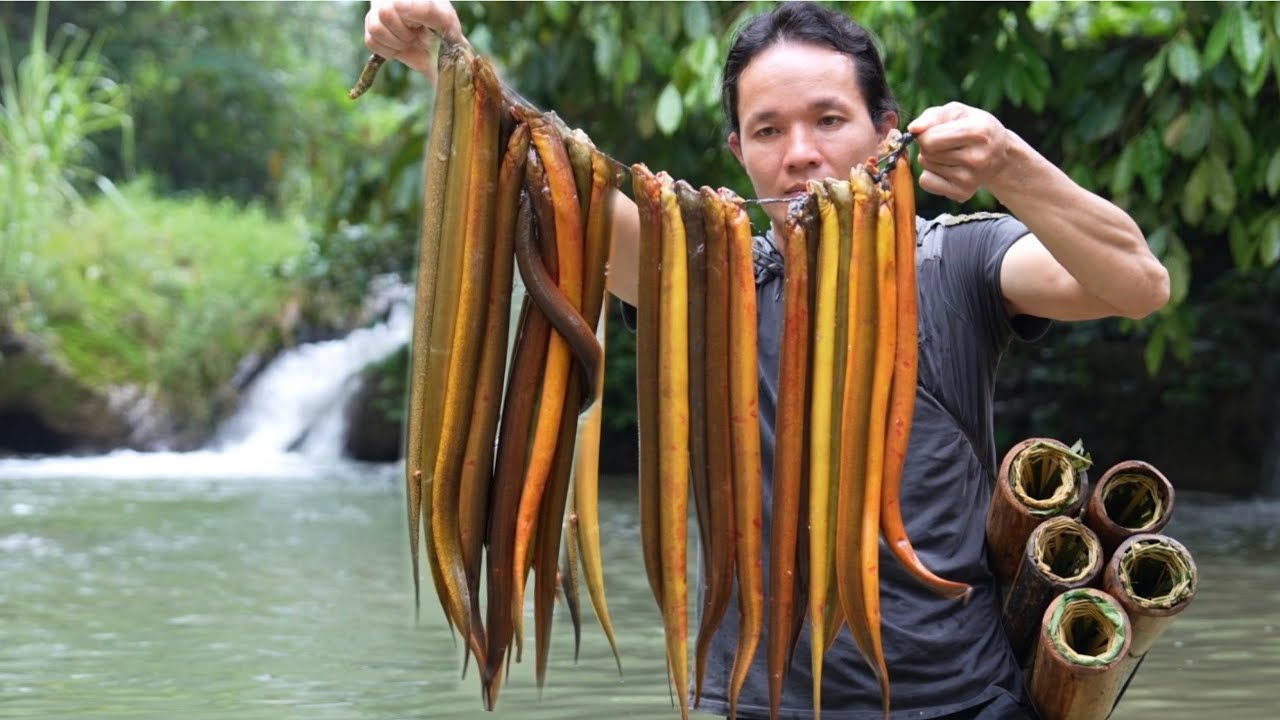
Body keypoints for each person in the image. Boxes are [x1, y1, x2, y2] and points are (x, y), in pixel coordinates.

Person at [364, 2, 1170, 718]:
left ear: (887, 133)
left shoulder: (957, 265)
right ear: (738, 152)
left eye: (829, 120)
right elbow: (559, 188)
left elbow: (1136, 284)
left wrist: (1007, 164)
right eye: (768, 130)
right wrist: (448, 64)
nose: (801, 155)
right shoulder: (705, 280)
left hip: (960, 699)